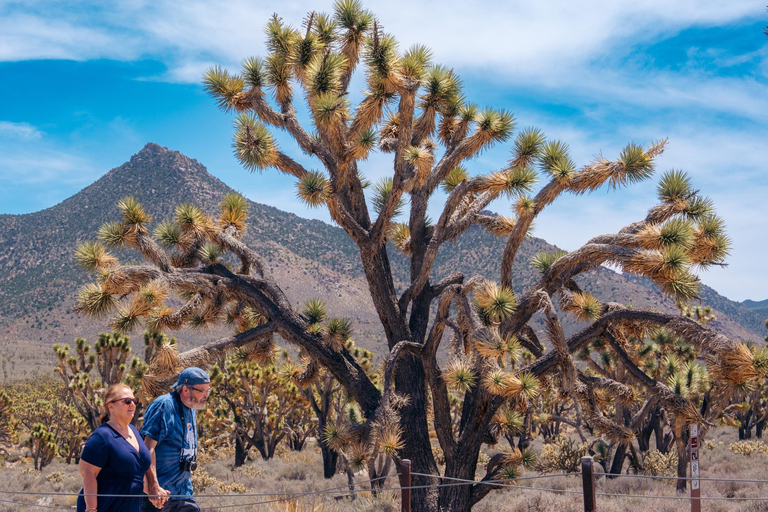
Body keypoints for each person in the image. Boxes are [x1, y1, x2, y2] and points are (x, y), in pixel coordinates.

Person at [141, 367, 211, 512]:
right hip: (160, 494)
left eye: (208, 390)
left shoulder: (191, 406)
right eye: (202, 390)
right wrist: (154, 486)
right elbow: (148, 448)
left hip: (183, 492)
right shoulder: (164, 405)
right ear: (185, 390)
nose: (206, 395)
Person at [77, 383, 152, 512]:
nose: (132, 404)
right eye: (127, 401)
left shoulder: (134, 432)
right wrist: (91, 509)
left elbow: (136, 475)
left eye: (134, 401)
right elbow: (88, 472)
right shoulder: (102, 436)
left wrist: (153, 492)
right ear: (110, 406)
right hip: (106, 507)